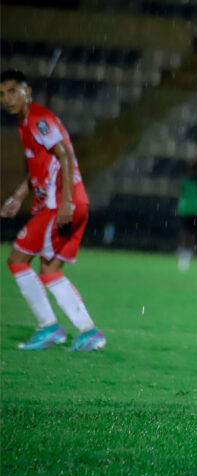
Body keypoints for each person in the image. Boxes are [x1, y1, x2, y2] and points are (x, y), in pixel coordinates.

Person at [0, 69, 105, 351]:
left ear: (27, 91)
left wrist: (66, 202)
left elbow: (66, 155)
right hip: (71, 202)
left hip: (60, 204)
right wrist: (19, 196)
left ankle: (49, 327)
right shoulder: (25, 123)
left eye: (12, 91)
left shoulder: (38, 118)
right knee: (49, 270)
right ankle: (89, 332)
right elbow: (39, 168)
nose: (7, 98)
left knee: (17, 259)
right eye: (2, 94)